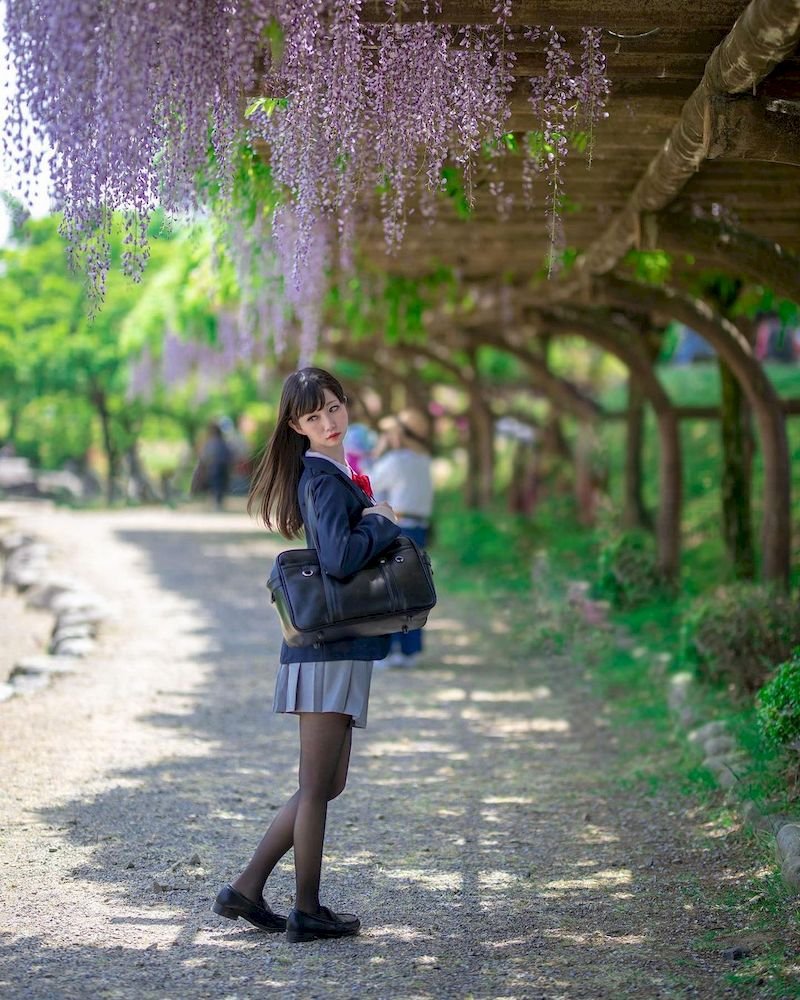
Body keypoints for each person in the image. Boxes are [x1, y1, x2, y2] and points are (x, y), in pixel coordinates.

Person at [212, 367, 401, 944]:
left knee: (328, 782)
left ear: (346, 405)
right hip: (325, 652)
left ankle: (246, 888)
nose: (329, 422)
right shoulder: (319, 476)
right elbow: (340, 558)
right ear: (296, 425)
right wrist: (383, 525)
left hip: (334, 651)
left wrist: (369, 516)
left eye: (335, 408)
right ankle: (307, 908)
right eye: (314, 416)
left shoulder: (332, 469)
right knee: (318, 786)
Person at [369, 408, 434, 669]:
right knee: (415, 589)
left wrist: (377, 453)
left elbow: (369, 483)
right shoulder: (423, 459)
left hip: (399, 528)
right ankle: (410, 649)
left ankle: (393, 649)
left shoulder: (396, 460)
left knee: (392, 590)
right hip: (419, 529)